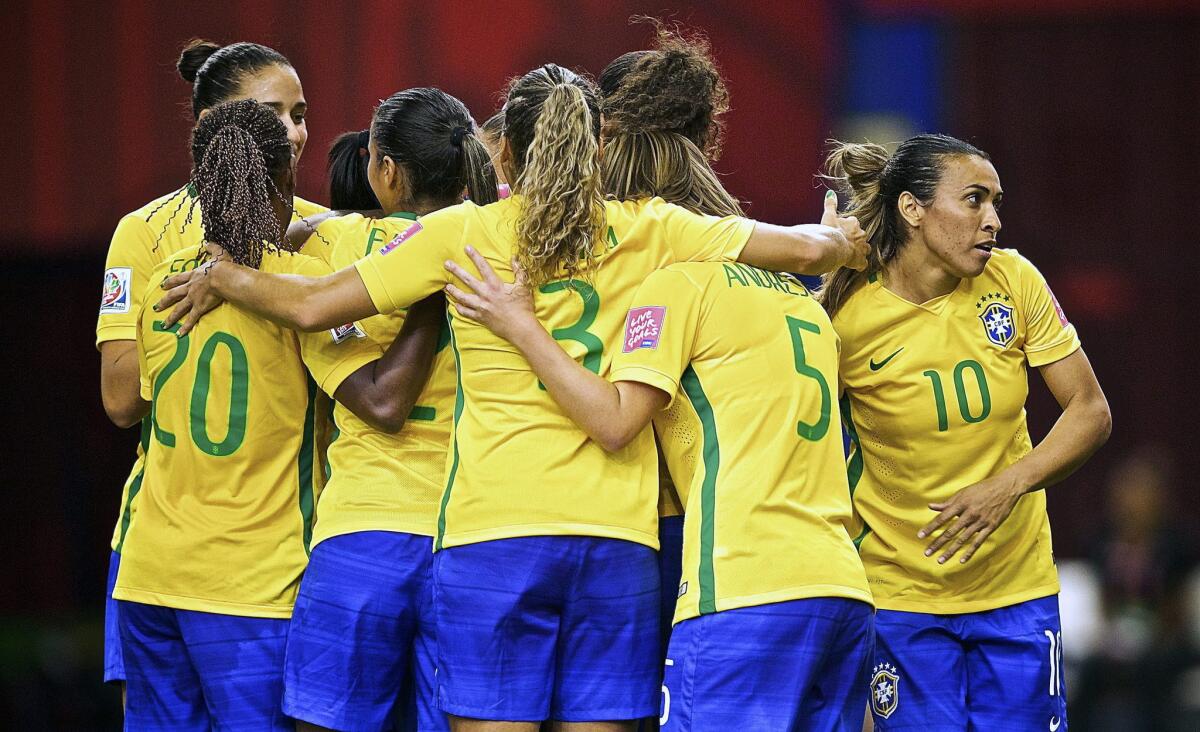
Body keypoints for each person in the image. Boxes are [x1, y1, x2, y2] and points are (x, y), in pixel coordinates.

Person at [153, 63, 867, 730]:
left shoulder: (466, 232)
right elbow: (802, 249)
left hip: (498, 536)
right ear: (596, 147)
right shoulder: (653, 226)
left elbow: (312, 305)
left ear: (505, 155)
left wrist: (226, 278)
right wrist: (839, 241)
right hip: (618, 542)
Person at [440, 185, 875, 730]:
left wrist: (523, 327)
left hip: (743, 588)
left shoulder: (677, 283)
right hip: (842, 584)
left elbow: (617, 421)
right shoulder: (798, 299)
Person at [115, 99, 442, 730]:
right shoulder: (300, 291)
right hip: (251, 584)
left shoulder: (162, 282)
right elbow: (375, 396)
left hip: (147, 578)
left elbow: (139, 401)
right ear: (287, 183)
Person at [821, 134, 1112, 730]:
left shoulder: (1014, 280)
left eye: (997, 202)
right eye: (975, 200)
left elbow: (1089, 410)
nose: (994, 221)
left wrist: (1008, 486)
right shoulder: (847, 319)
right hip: (901, 598)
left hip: (1016, 590)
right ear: (913, 209)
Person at [95, 38, 327, 694]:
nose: (293, 133)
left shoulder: (324, 233)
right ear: (214, 128)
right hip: (168, 552)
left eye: (301, 113)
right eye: (272, 114)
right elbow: (119, 398)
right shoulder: (145, 232)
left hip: (274, 551)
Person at [281, 87, 495, 732]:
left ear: (386, 169)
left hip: (365, 534)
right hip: (473, 535)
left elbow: (382, 401)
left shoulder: (330, 248)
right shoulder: (501, 238)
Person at [596, 26, 742, 676]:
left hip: (621, 521)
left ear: (604, 132)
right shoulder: (742, 244)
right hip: (723, 525)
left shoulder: (583, 233)